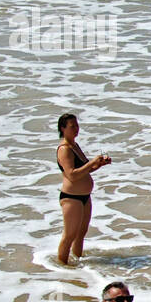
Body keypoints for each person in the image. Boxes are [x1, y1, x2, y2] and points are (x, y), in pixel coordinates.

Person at [55, 113, 110, 265]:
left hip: (84, 196)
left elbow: (84, 171)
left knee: (81, 233)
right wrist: (91, 162)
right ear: (63, 128)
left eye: (77, 125)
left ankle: (77, 262)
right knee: (69, 236)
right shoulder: (64, 149)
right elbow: (71, 175)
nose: (76, 129)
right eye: (72, 126)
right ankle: (62, 267)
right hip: (71, 197)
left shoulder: (74, 145)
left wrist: (98, 165)